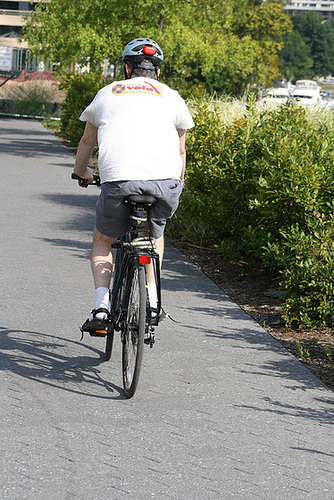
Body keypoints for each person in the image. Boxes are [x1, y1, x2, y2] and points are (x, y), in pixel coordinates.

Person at [73, 37, 194, 330]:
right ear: (158, 72)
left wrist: (82, 172)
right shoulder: (172, 97)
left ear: (127, 69)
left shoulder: (107, 93)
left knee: (103, 240)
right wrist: (177, 184)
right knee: (154, 236)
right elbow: (180, 151)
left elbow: (88, 140)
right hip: (164, 183)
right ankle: (152, 304)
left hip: (119, 181)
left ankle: (102, 308)